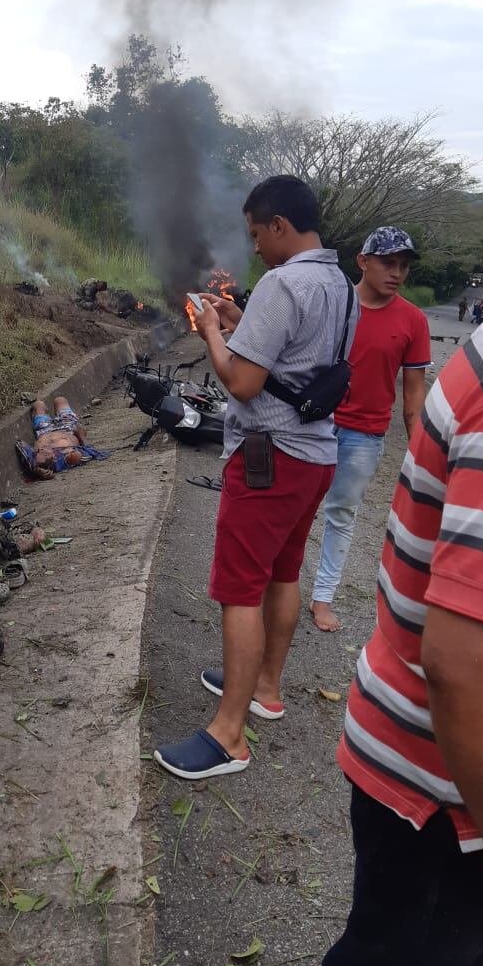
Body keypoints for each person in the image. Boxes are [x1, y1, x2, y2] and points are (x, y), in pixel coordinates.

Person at [313, 299, 483, 966]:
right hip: (451, 799)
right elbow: (465, 666)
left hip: (464, 794)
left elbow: (412, 386)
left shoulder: (445, 332)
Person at [154, 175, 358, 782]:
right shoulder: (341, 285)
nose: (255, 250)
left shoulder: (283, 281)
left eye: (256, 235)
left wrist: (214, 332)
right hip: (318, 456)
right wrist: (243, 318)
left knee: (239, 589)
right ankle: (266, 686)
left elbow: (241, 382)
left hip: (270, 457)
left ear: (279, 226)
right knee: (282, 572)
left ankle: (229, 735)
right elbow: (299, 355)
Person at [309, 227, 430, 632]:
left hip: (364, 435)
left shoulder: (413, 321)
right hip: (313, 423)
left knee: (341, 513)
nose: (396, 273)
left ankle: (322, 597)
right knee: (295, 506)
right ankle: (275, 586)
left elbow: (414, 397)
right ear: (363, 261)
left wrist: (422, 458)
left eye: (403, 266)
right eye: (387, 263)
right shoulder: (334, 303)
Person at [16, 396, 107, 480]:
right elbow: (85, 451)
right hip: (67, 427)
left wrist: (35, 468)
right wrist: (81, 436)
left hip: (44, 429)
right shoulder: (65, 457)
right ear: (54, 458)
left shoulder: (34, 457)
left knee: (38, 405)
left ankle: (46, 413)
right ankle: (56, 414)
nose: (42, 449)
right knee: (60, 400)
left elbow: (21, 444)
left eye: (38, 451)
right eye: (45, 453)